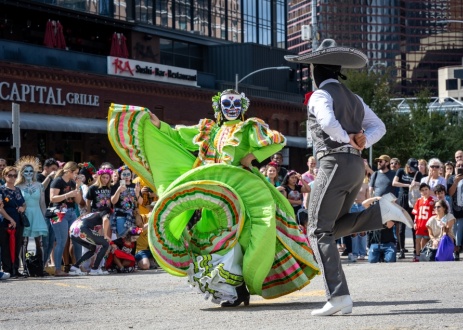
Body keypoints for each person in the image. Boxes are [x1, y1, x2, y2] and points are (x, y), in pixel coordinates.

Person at [107, 89, 319, 307]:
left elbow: (277, 141)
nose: (232, 109)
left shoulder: (248, 127)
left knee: (248, 236)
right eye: (227, 104)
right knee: (217, 237)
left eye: (236, 104)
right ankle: (234, 289)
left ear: (243, 107)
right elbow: (179, 137)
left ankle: (242, 285)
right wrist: (158, 124)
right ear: (219, 107)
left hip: (244, 188)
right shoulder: (209, 130)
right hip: (217, 190)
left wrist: (252, 157)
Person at [285, 38, 412, 316]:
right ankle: (380, 213)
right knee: (330, 227)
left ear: (316, 72)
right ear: (337, 71)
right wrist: (362, 142)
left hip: (334, 163)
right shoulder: (355, 98)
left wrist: (347, 140)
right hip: (355, 167)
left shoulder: (320, 95)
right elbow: (379, 126)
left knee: (317, 230)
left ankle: (338, 296)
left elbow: (329, 123)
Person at [15, 157, 48, 275]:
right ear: (22, 173)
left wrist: (45, 217)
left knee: (39, 241)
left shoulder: (39, 186)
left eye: (31, 171)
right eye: (26, 171)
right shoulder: (18, 186)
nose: (28, 173)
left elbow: (42, 203)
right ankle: (24, 267)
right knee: (24, 241)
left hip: (37, 213)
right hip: (25, 215)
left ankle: (40, 266)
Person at [49, 161, 83, 276]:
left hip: (71, 212)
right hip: (57, 212)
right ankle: (58, 269)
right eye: (75, 173)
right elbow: (52, 198)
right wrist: (67, 195)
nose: (76, 175)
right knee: (61, 241)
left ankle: (78, 266)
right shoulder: (57, 181)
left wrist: (77, 187)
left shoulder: (72, 182)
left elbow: (78, 201)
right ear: (69, 171)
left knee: (77, 240)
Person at [392, 158, 423, 258]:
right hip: (403, 197)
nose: (412, 171)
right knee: (401, 227)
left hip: (413, 199)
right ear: (407, 166)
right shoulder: (401, 171)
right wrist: (408, 184)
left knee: (414, 225)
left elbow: (422, 186)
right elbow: (394, 183)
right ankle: (401, 250)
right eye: (411, 168)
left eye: (414, 168)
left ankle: (415, 249)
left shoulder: (418, 174)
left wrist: (417, 184)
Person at [68, 206, 111, 276]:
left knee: (92, 248)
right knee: (105, 243)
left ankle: (75, 267)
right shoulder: (104, 213)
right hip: (82, 229)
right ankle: (95, 269)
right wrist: (106, 235)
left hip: (72, 231)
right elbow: (106, 220)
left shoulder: (91, 215)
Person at [0, 166, 26, 278]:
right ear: (4, 176)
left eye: (15, 175)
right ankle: (8, 269)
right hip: (6, 221)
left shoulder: (18, 189)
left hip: (18, 220)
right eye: (10, 175)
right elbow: (0, 208)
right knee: (5, 246)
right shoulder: (1, 190)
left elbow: (24, 203)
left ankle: (16, 268)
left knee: (17, 245)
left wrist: (23, 208)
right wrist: (9, 219)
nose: (12, 178)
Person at [36, 158, 59, 268]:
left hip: (54, 212)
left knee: (52, 240)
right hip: (43, 213)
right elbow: (40, 189)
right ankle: (41, 264)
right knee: (45, 240)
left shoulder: (56, 179)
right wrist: (49, 177)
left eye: (56, 169)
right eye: (52, 169)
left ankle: (45, 263)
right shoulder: (39, 177)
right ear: (46, 168)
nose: (55, 171)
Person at [110, 165, 142, 238]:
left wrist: (137, 194)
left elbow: (141, 202)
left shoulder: (135, 186)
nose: (126, 176)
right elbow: (113, 202)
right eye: (124, 174)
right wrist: (118, 191)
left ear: (131, 176)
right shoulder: (115, 186)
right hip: (120, 216)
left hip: (133, 216)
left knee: (134, 237)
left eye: (128, 174)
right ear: (120, 176)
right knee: (123, 237)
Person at [411, 183, 436, 262]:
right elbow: (416, 213)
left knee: (425, 240)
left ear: (429, 190)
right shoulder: (418, 201)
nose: (424, 191)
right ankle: (417, 255)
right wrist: (415, 223)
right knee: (417, 240)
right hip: (419, 224)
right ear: (420, 192)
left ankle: (424, 254)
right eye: (422, 190)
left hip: (427, 225)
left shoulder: (433, 200)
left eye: (426, 189)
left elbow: (434, 214)